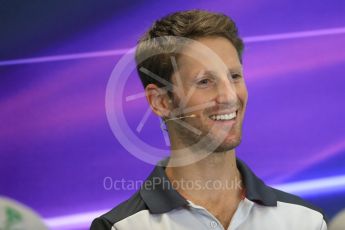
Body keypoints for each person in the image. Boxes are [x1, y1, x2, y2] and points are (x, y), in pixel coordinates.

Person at [91, 10, 327, 229]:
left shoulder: (304, 221)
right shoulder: (121, 227)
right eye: (205, 81)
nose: (229, 96)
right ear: (161, 102)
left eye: (234, 76)